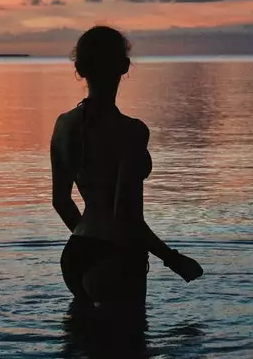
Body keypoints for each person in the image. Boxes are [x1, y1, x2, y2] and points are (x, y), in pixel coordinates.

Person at [51, 26, 203, 314]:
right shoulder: (130, 132)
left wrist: (90, 244)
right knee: (130, 351)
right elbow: (125, 216)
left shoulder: (63, 125)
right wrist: (173, 259)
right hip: (117, 257)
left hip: (75, 252)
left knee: (81, 350)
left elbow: (61, 201)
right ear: (124, 66)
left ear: (80, 69)